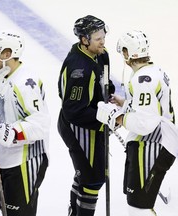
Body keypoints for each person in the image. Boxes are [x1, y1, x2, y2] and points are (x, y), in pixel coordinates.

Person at [96, 30, 176, 216]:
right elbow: (150, 109)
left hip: (151, 145)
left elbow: (144, 124)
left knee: (138, 208)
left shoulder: (142, 80)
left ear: (127, 52)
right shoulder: (153, 71)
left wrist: (115, 117)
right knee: (138, 204)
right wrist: (124, 103)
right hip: (157, 144)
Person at [0, 29, 50, 216]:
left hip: (24, 161)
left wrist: (6, 132)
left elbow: (40, 124)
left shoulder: (26, 82)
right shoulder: (0, 77)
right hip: (3, 160)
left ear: (7, 54)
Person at [57, 15, 115, 216]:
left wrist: (109, 96)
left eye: (103, 35)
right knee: (93, 179)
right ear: (84, 40)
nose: (103, 41)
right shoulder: (80, 69)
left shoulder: (101, 54)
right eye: (97, 37)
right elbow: (74, 111)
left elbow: (105, 82)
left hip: (92, 121)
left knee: (88, 175)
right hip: (78, 128)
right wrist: (106, 119)